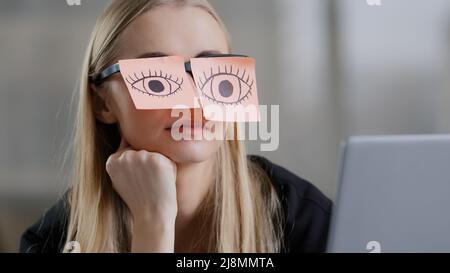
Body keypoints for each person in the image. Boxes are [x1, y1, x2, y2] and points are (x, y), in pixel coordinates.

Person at [19, 0, 331, 253]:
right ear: (103, 104)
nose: (193, 99)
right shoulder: (54, 241)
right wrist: (153, 225)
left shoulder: (305, 222)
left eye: (213, 72)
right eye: (156, 80)